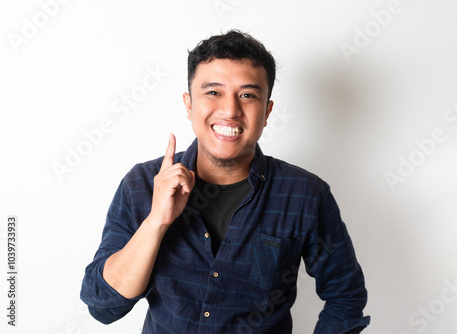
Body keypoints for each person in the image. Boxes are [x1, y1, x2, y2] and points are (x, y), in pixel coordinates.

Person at [80, 30, 370, 334]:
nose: (230, 110)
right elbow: (104, 306)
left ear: (267, 111)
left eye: (247, 95)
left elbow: (345, 298)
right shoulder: (142, 183)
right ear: (189, 104)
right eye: (213, 92)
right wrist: (156, 222)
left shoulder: (306, 195)